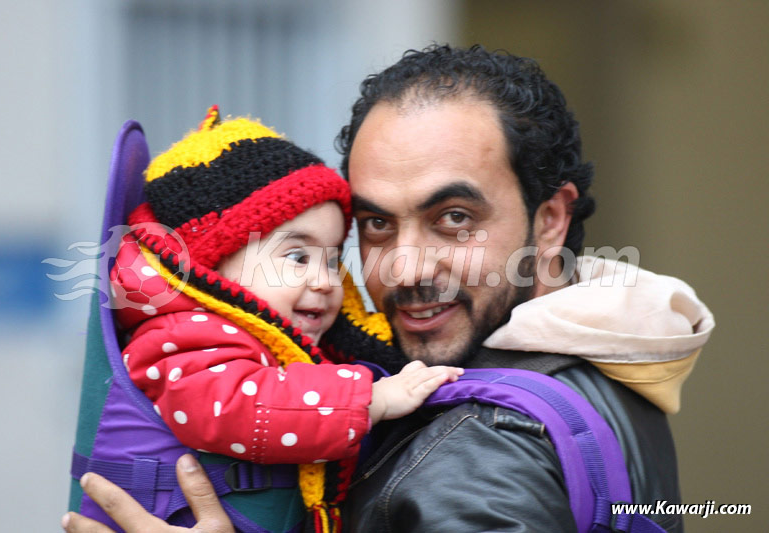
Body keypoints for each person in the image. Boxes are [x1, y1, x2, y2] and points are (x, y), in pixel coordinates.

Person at [63, 45, 714, 533]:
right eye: (375, 224)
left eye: (453, 218)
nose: (403, 269)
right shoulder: (618, 356)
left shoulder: (479, 449)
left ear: (550, 221)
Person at [96, 107, 462, 532]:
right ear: (211, 268)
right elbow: (238, 406)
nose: (325, 281)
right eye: (297, 257)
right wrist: (370, 400)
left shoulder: (269, 339)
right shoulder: (179, 335)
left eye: (331, 261)